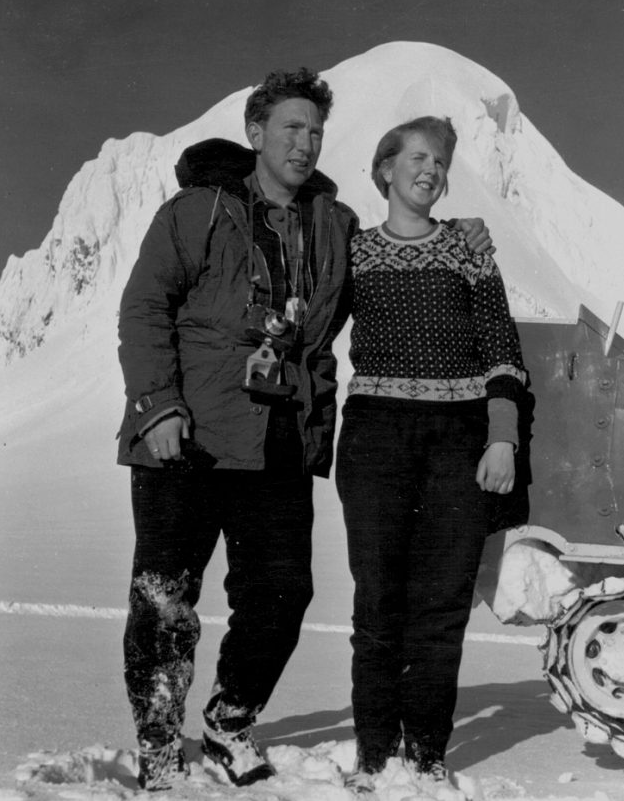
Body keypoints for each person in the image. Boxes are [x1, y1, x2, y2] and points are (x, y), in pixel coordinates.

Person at [116, 69, 493, 791]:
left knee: (283, 593)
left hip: (280, 441)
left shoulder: (336, 226)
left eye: (315, 130)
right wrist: (158, 406)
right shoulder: (196, 211)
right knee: (165, 597)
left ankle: (230, 719)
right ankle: (159, 742)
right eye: (290, 127)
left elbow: (394, 262)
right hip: (185, 435)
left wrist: (456, 239)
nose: (305, 141)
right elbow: (144, 310)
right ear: (255, 134)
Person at [335, 116, 528, 792]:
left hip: (460, 438)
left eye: (441, 162)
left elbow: (502, 347)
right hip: (375, 434)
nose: (431, 170)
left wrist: (501, 434)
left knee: (442, 605)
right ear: (385, 168)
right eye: (418, 157)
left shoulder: (469, 250)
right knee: (378, 602)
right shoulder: (351, 252)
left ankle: (424, 758)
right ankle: (372, 755)